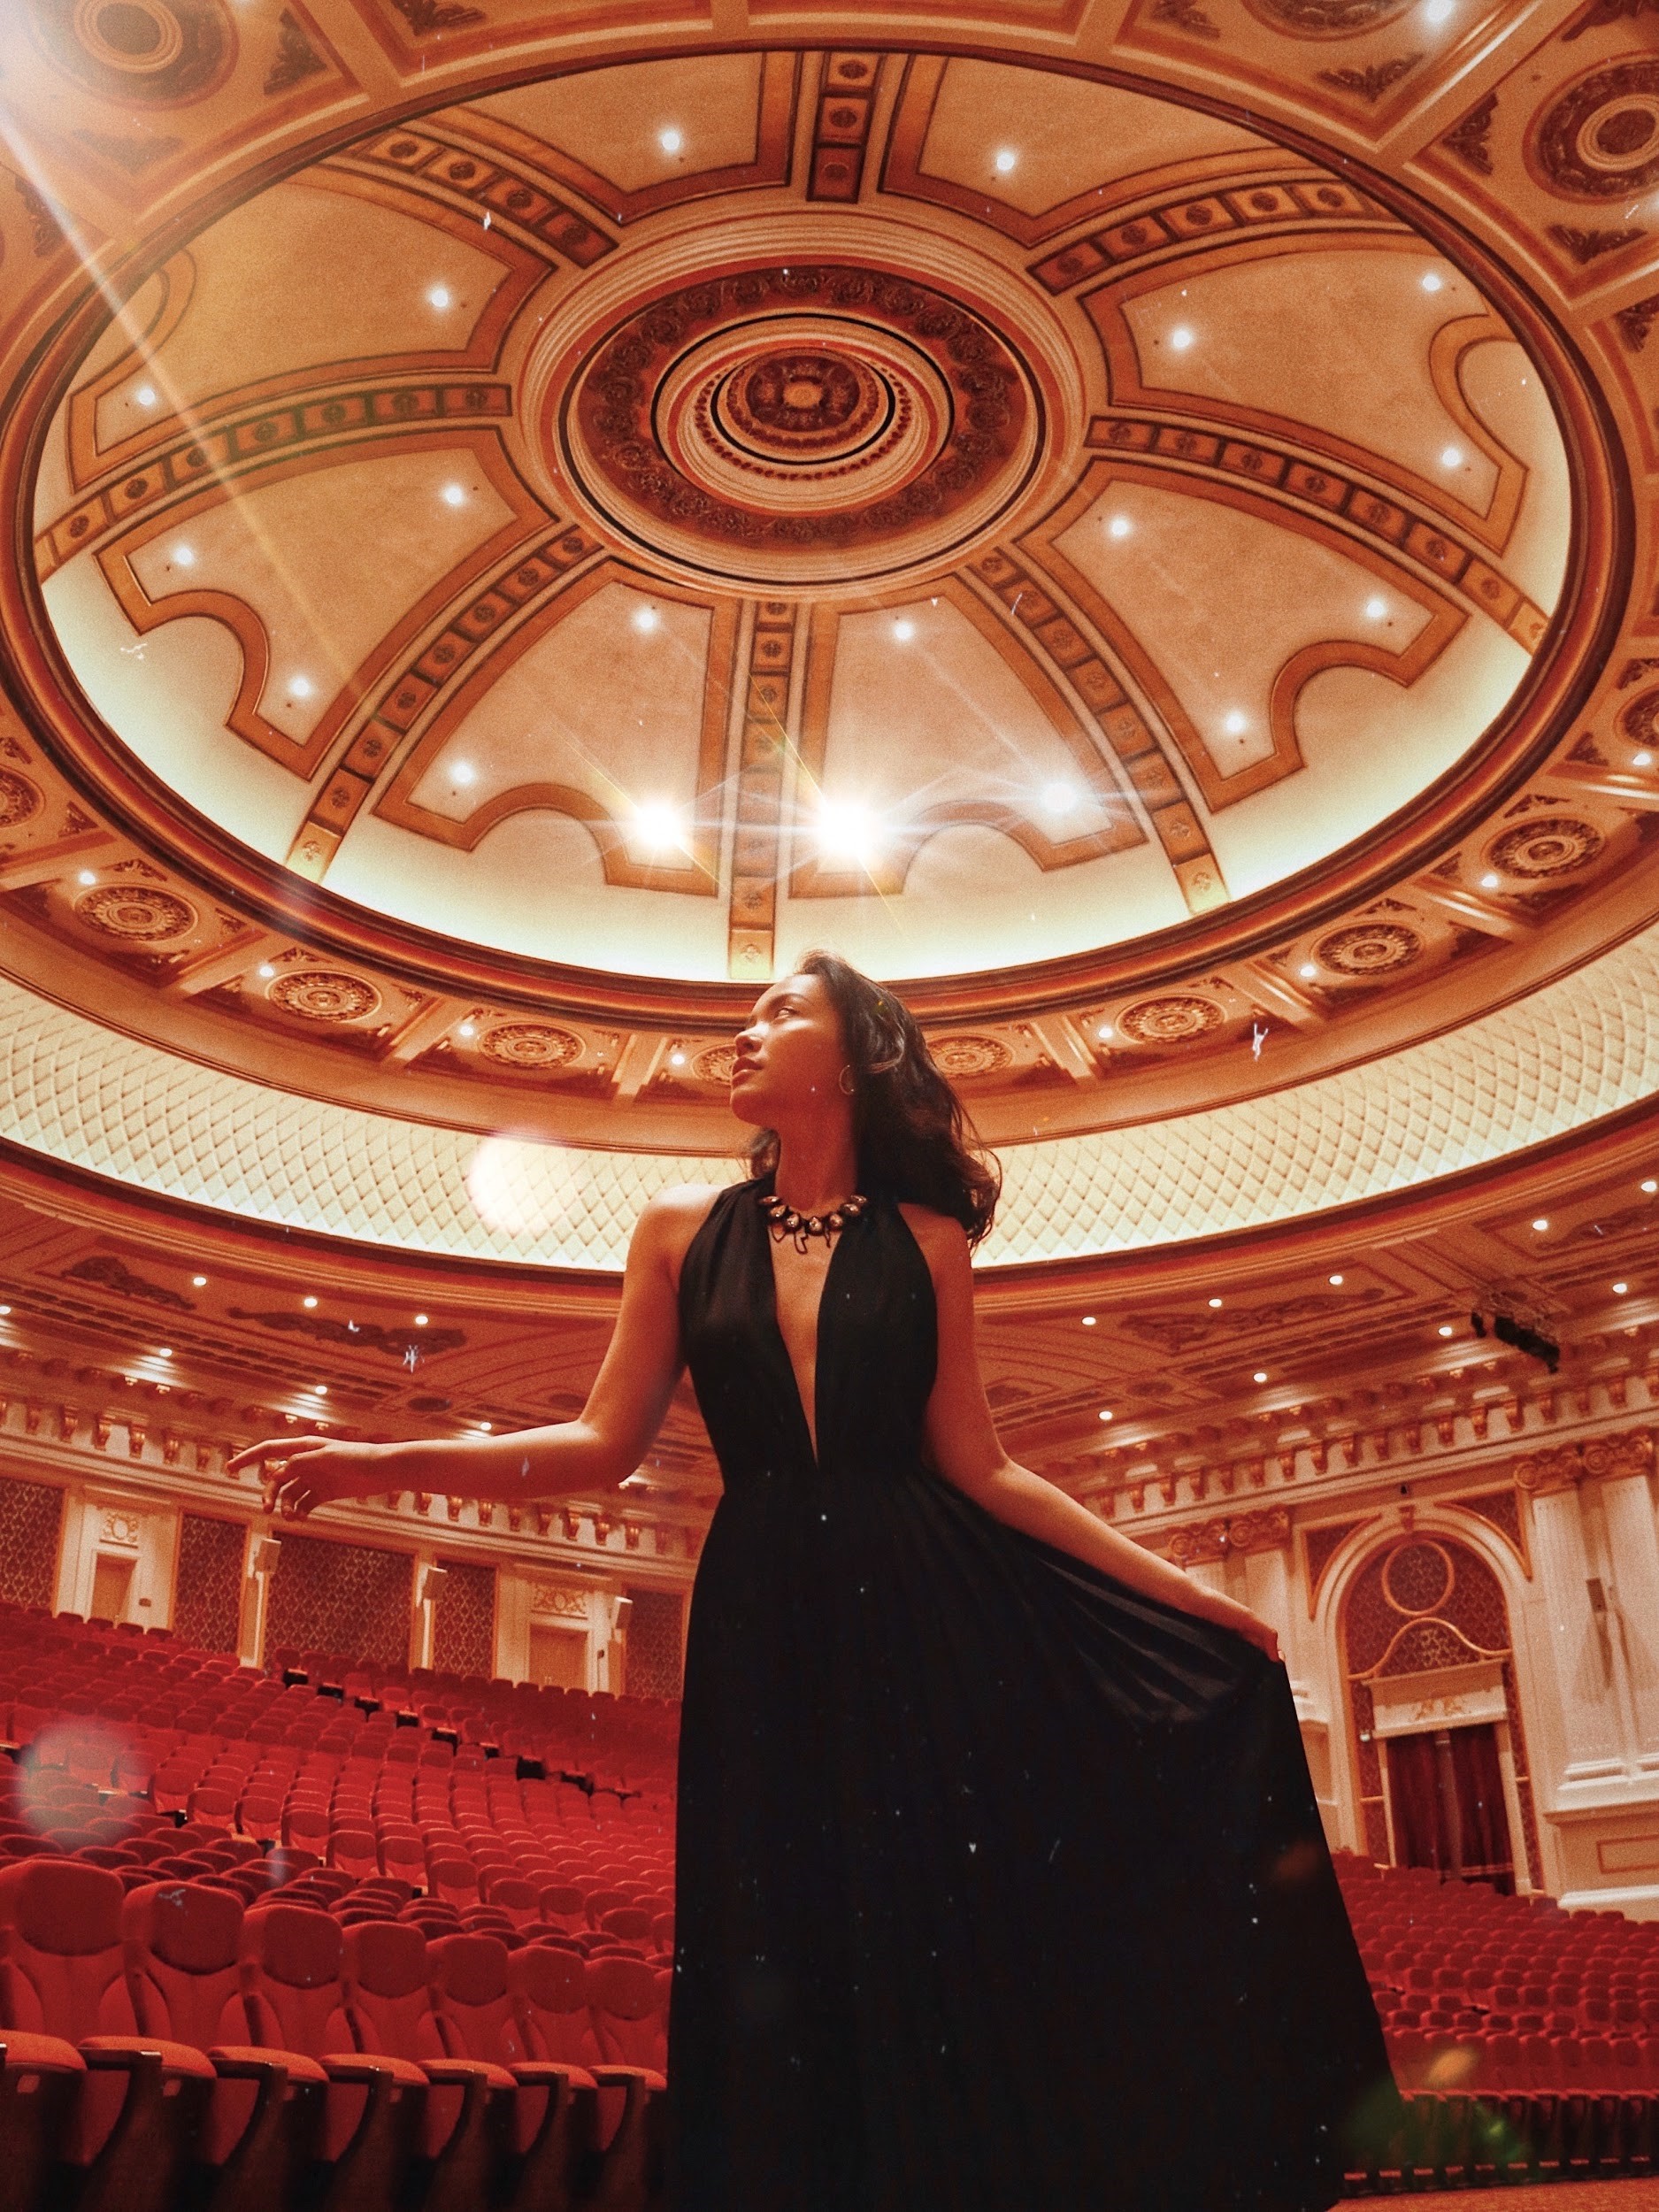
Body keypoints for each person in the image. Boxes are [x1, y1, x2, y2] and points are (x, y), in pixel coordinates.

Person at [230, 949, 1404, 2212]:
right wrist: (379, 1462)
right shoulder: (678, 1230)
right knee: (770, 1916)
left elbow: (987, 1468)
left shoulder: (931, 1243)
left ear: (853, 1060)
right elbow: (599, 1443)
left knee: (916, 1914)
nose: (742, 1032)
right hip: (760, 1602)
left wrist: (1192, 1600)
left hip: (920, 1601)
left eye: (779, 1012)